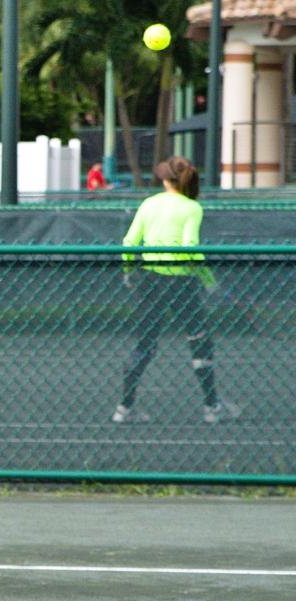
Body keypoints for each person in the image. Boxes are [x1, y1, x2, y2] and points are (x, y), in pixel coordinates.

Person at [114, 155, 238, 424]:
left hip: (150, 280)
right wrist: (209, 281)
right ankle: (212, 406)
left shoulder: (149, 204)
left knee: (145, 343)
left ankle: (124, 408)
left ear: (164, 178)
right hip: (182, 283)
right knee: (198, 340)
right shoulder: (191, 208)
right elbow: (190, 248)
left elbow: (129, 242)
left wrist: (128, 271)